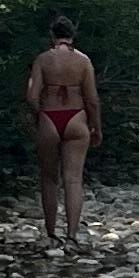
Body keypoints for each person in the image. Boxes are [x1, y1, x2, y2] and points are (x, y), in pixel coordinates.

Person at [23, 14, 102, 247]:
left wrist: (40, 114)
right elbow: (93, 99)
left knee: (48, 178)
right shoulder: (84, 61)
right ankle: (71, 235)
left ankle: (50, 233)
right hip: (76, 117)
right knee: (73, 179)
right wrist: (96, 126)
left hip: (49, 116)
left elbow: (31, 96)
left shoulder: (43, 60)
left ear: (52, 36)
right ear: (72, 36)